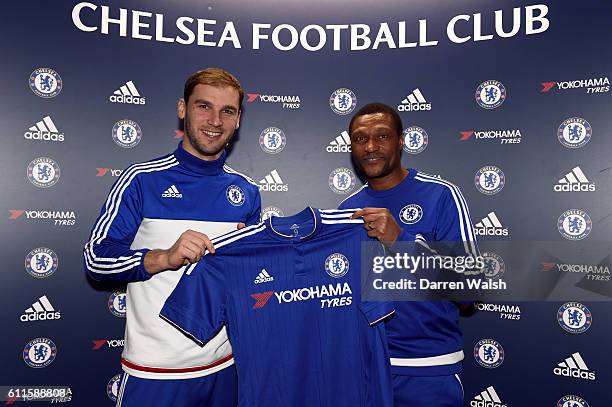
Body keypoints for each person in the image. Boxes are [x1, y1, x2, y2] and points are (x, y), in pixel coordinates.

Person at [84, 68, 261, 406]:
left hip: (226, 370)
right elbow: (95, 260)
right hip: (155, 373)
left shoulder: (247, 191)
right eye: (203, 106)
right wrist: (163, 257)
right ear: (182, 108)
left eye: (228, 111)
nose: (215, 120)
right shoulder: (141, 180)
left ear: (238, 120)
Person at [338, 103, 479, 407]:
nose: (370, 147)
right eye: (360, 139)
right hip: (365, 370)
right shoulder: (346, 210)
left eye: (382, 136)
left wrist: (401, 243)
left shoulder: (440, 196)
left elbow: (469, 289)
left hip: (428, 370)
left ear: (401, 141)